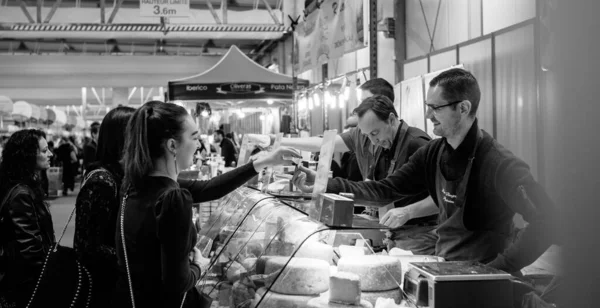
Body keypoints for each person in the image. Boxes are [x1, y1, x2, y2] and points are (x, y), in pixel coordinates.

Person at [294, 69, 557, 274]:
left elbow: (547, 221)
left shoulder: (499, 163)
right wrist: (323, 184)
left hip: (486, 282)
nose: (428, 114)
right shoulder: (433, 153)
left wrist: (498, 269)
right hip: (445, 269)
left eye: (436, 108)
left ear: (463, 108)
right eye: (427, 106)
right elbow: (385, 190)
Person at [112, 101, 300, 308]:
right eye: (194, 137)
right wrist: (199, 266)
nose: (199, 145)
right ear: (172, 145)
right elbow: (178, 282)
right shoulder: (172, 198)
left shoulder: (135, 185)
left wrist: (261, 163)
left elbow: (209, 188)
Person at [281, 78, 438, 254]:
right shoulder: (384, 144)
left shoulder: (417, 143)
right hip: (393, 233)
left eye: (375, 133)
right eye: (368, 135)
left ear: (391, 119)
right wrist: (322, 182)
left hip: (421, 235)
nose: (373, 141)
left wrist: (408, 211)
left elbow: (442, 197)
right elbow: (379, 191)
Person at [73, 106, 135, 308]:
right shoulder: (103, 181)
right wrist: (134, 256)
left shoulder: (119, 175)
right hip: (103, 289)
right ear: (124, 137)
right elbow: (89, 247)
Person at [0, 129, 55, 307]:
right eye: (45, 150)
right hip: (26, 282)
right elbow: (30, 248)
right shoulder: (21, 193)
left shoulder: (22, 187)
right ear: (29, 155)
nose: (50, 154)